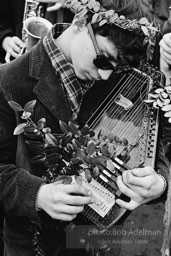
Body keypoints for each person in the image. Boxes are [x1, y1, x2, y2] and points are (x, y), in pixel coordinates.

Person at [0, 0, 169, 255]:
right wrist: (37, 194)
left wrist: (159, 183)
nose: (105, 76)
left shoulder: (125, 77)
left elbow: (153, 147)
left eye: (115, 68)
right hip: (34, 244)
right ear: (81, 22)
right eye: (103, 61)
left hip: (101, 240)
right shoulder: (9, 81)